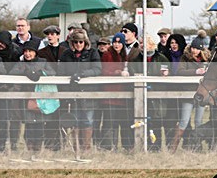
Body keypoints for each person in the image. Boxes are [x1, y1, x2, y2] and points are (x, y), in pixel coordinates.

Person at [9, 38, 57, 157]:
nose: (27, 54)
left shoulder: (43, 62)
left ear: (35, 52)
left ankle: (38, 148)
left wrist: (40, 73)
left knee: (40, 123)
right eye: (25, 51)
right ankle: (29, 149)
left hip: (41, 97)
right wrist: (25, 72)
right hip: (26, 98)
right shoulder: (21, 64)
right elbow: (12, 73)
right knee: (29, 123)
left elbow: (52, 73)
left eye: (30, 51)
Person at [58, 29, 102, 157]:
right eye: (76, 42)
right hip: (72, 93)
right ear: (72, 43)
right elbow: (61, 72)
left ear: (85, 42)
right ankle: (76, 148)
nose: (78, 44)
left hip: (88, 92)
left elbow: (97, 69)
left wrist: (82, 74)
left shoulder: (92, 53)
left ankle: (86, 148)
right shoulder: (66, 54)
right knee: (75, 120)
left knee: (87, 120)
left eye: (81, 42)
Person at [172, 36, 210, 152]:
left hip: (201, 93)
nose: (194, 51)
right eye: (193, 48)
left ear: (201, 50)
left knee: (199, 121)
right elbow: (180, 71)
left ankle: (197, 147)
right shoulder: (185, 58)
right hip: (188, 93)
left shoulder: (206, 59)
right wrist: (195, 71)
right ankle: (173, 147)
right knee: (184, 120)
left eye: (197, 49)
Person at [99, 32, 133, 151]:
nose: (116, 44)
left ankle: (126, 146)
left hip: (122, 95)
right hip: (110, 94)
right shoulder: (107, 55)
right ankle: (107, 146)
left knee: (123, 122)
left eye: (119, 42)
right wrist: (117, 73)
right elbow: (104, 72)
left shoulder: (124, 56)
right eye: (115, 42)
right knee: (109, 122)